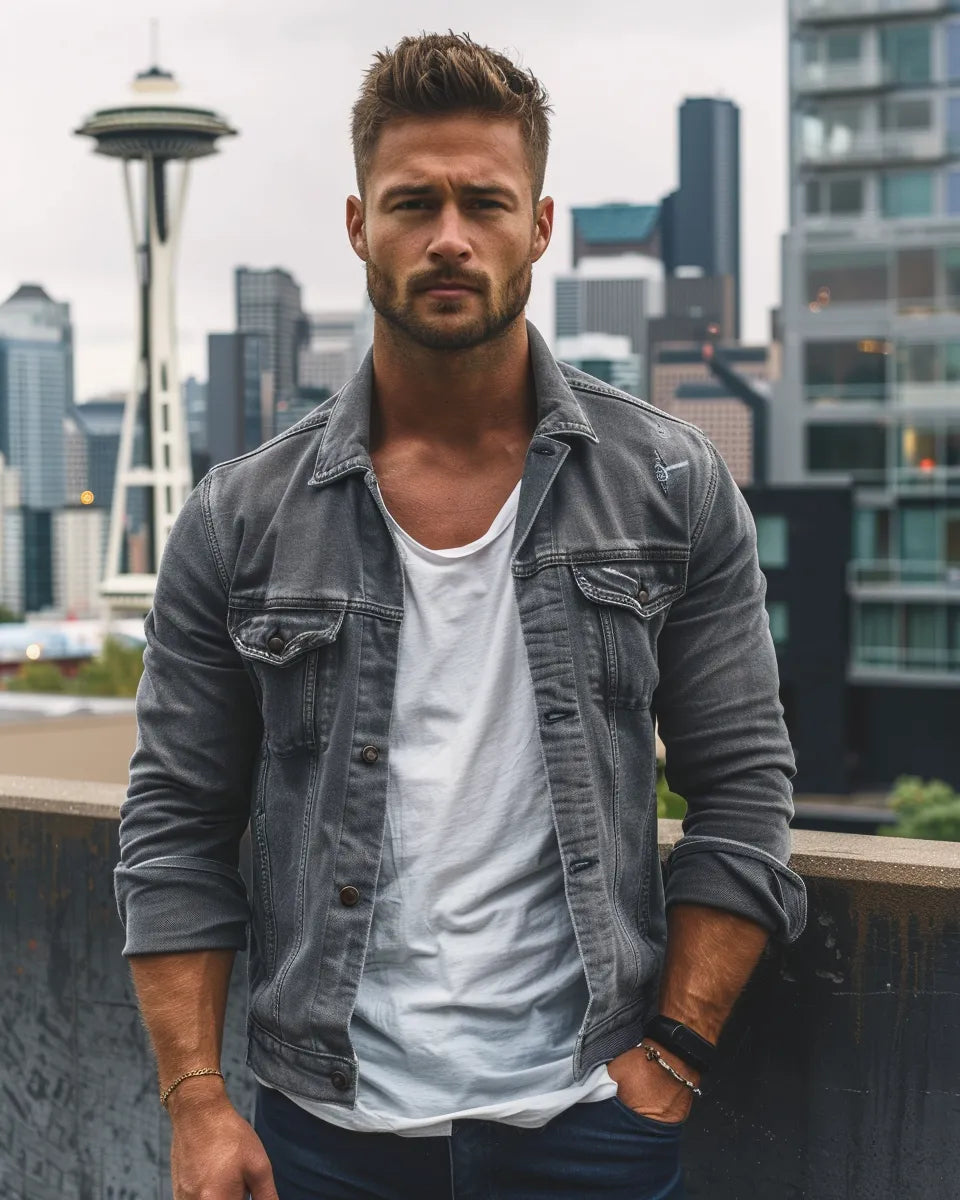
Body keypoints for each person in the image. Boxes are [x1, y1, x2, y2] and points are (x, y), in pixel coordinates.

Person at [116, 32, 807, 1200]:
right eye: (412, 203)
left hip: (588, 1123)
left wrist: (672, 1059)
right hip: (322, 1138)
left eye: (484, 203)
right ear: (357, 225)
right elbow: (175, 827)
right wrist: (198, 1103)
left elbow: (744, 788)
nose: (449, 236)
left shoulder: (672, 485)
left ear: (539, 228)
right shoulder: (240, 519)